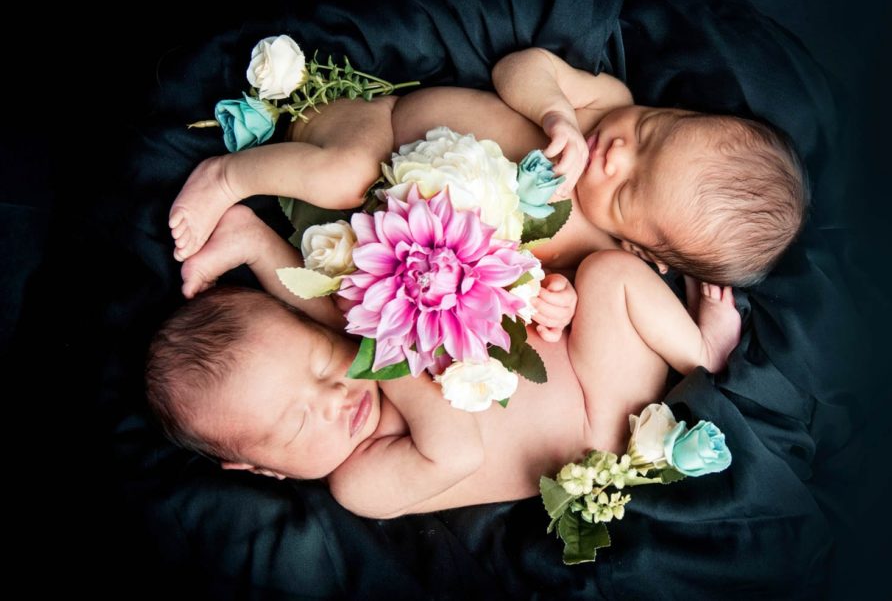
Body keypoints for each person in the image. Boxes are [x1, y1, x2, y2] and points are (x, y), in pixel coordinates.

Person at [146, 204, 741, 519]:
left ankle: (693, 348)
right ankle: (708, 359)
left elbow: (321, 313)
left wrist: (254, 244)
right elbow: (457, 449)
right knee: (610, 272)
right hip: (603, 429)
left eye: (324, 365)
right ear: (263, 470)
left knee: (607, 272)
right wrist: (362, 344)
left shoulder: (365, 364)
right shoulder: (359, 484)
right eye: (299, 422)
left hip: (586, 357)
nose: (336, 397)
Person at [169, 47, 807, 289]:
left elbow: (528, 288)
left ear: (647, 252)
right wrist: (556, 111)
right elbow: (519, 69)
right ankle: (229, 176)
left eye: (630, 188)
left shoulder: (597, 256)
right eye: (652, 132)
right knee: (346, 177)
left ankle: (251, 241)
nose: (616, 152)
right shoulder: (604, 102)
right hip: (382, 130)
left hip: (394, 237)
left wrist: (550, 303)